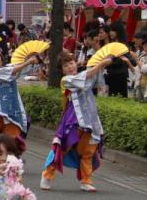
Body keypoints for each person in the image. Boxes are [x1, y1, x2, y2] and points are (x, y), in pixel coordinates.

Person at [41, 53, 114, 192]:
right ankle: (47, 175)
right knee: (63, 148)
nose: (70, 67)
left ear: (76, 63)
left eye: (71, 63)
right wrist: (101, 64)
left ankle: (86, 181)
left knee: (88, 151)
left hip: (90, 120)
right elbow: (86, 77)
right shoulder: (66, 80)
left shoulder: (84, 75)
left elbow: (96, 81)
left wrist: (100, 64)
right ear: (62, 70)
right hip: (73, 120)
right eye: (65, 65)